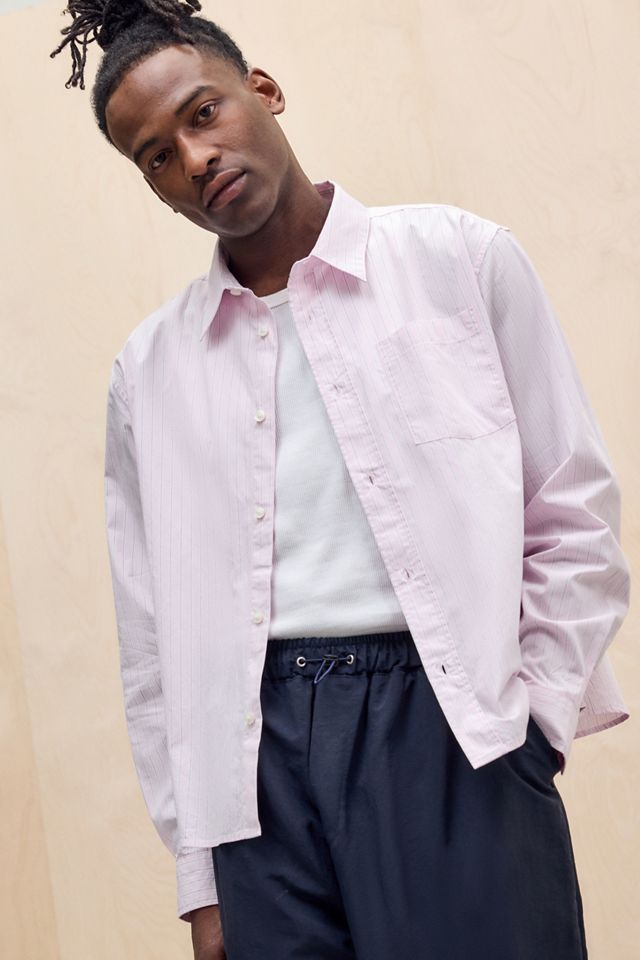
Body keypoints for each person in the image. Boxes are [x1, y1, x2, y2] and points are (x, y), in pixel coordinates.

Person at [51, 2, 631, 958]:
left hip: (449, 729)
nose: (194, 158)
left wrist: (532, 722)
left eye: (203, 113)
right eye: (155, 156)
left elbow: (571, 512)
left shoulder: (457, 261)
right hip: (254, 774)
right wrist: (202, 876)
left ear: (264, 90)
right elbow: (152, 641)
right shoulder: (146, 374)